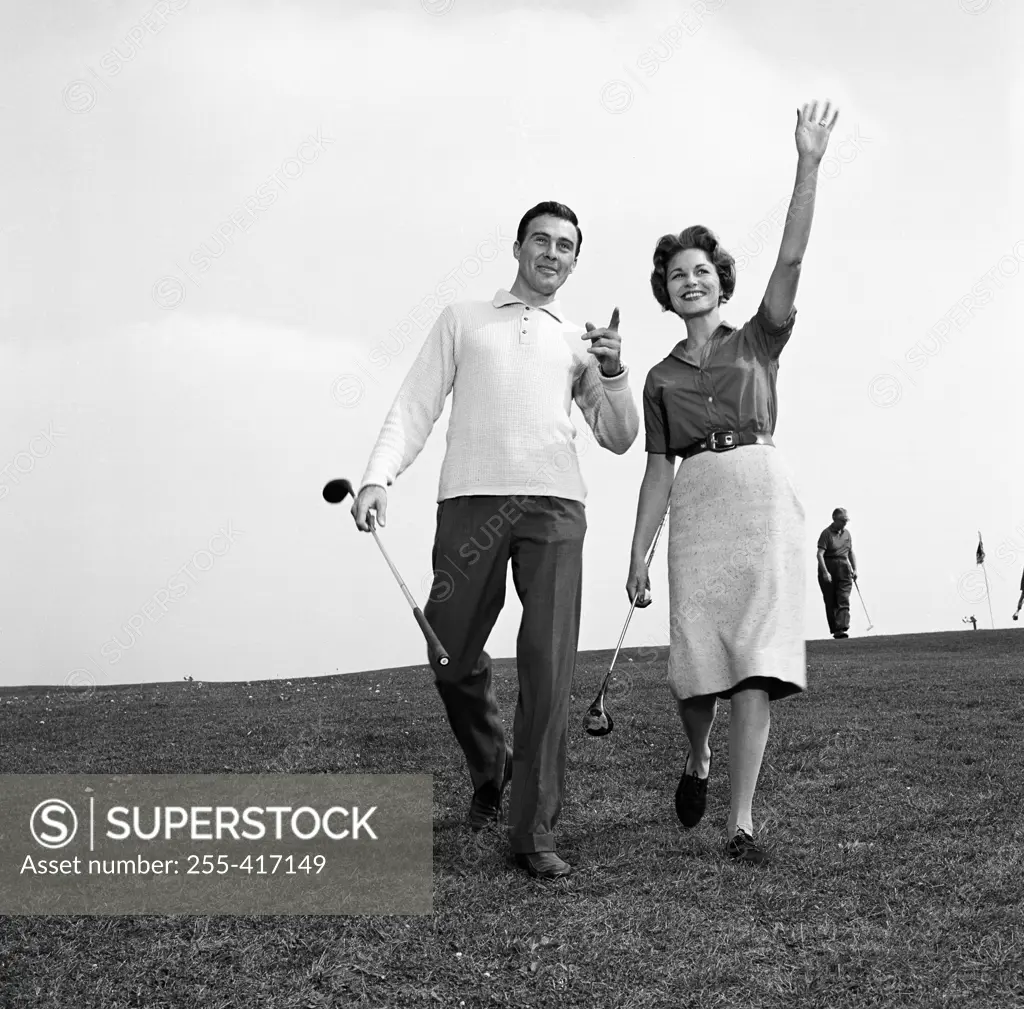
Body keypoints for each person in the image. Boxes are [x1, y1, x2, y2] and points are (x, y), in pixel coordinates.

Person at [351, 201, 640, 880]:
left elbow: (621, 437)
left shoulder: (581, 340)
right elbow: (415, 403)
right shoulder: (463, 320)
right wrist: (377, 477)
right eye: (541, 239)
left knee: (548, 668)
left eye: (565, 245)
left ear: (575, 259)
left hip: (555, 507)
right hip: (470, 501)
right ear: (517, 246)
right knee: (448, 653)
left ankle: (533, 829)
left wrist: (616, 371)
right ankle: (492, 765)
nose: (551, 252)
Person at [626, 99, 840, 866]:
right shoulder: (656, 378)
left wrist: (807, 164)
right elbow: (657, 467)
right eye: (677, 274)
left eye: (703, 271)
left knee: (755, 664)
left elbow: (789, 261)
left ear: (721, 282)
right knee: (695, 673)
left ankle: (741, 819)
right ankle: (698, 756)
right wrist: (638, 553)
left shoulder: (758, 338)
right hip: (699, 509)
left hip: (763, 500)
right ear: (667, 291)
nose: (691, 280)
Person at [816, 507, 857, 639]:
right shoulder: (826, 533)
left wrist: (855, 569)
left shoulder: (847, 534)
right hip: (829, 566)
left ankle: (843, 626)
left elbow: (850, 552)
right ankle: (836, 630)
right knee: (831, 600)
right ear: (835, 519)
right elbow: (820, 554)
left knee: (843, 597)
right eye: (843, 520)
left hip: (844, 567)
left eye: (846, 520)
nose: (845, 523)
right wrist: (825, 572)